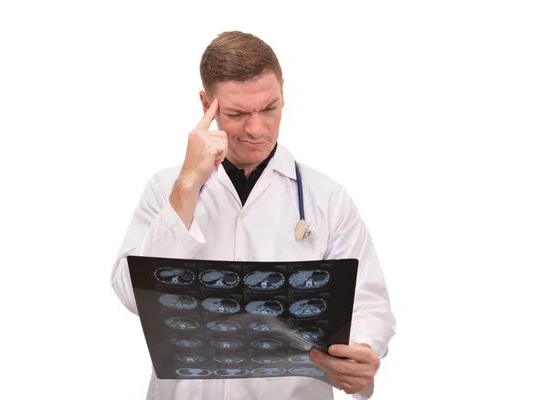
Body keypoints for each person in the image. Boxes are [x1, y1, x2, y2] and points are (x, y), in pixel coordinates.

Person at [111, 30, 396, 400]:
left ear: (283, 94)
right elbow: (132, 296)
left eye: (269, 108)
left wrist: (361, 351)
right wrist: (187, 187)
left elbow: (370, 303)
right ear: (206, 105)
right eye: (236, 113)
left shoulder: (327, 199)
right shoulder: (167, 188)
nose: (256, 129)